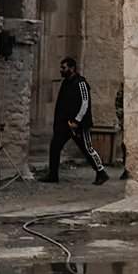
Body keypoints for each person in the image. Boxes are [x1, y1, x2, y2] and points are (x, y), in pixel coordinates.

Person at [44, 56, 109, 185]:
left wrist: (77, 121)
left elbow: (85, 103)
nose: (61, 70)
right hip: (65, 124)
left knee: (87, 148)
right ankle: (53, 174)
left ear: (72, 68)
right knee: (55, 146)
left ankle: (101, 172)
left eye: (64, 68)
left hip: (79, 124)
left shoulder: (81, 83)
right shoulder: (66, 83)